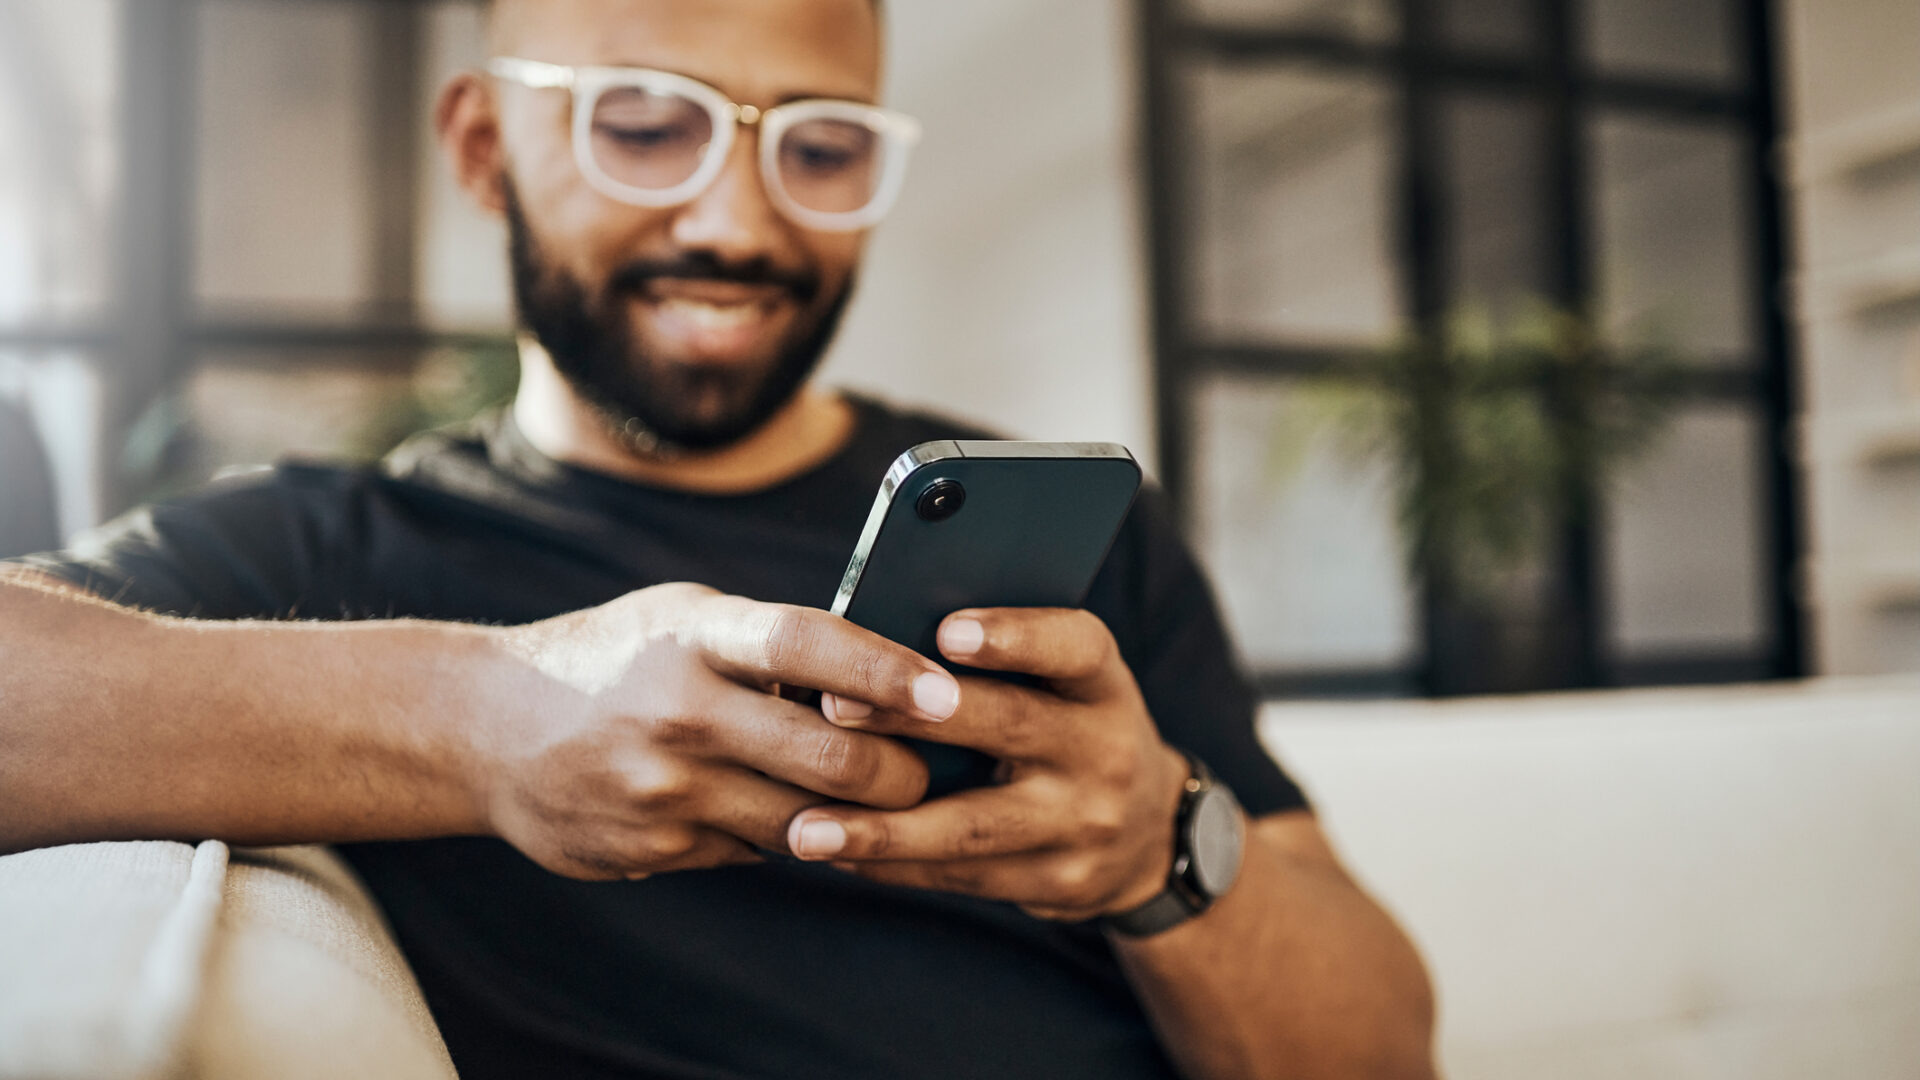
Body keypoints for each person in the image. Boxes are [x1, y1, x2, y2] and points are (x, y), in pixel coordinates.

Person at [0, 1, 1435, 1076]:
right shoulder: (329, 559)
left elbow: (1387, 1055)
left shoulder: (1070, 536)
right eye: (643, 125)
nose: (737, 220)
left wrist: (1159, 853)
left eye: (822, 148)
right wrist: (489, 718)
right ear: (487, 150)